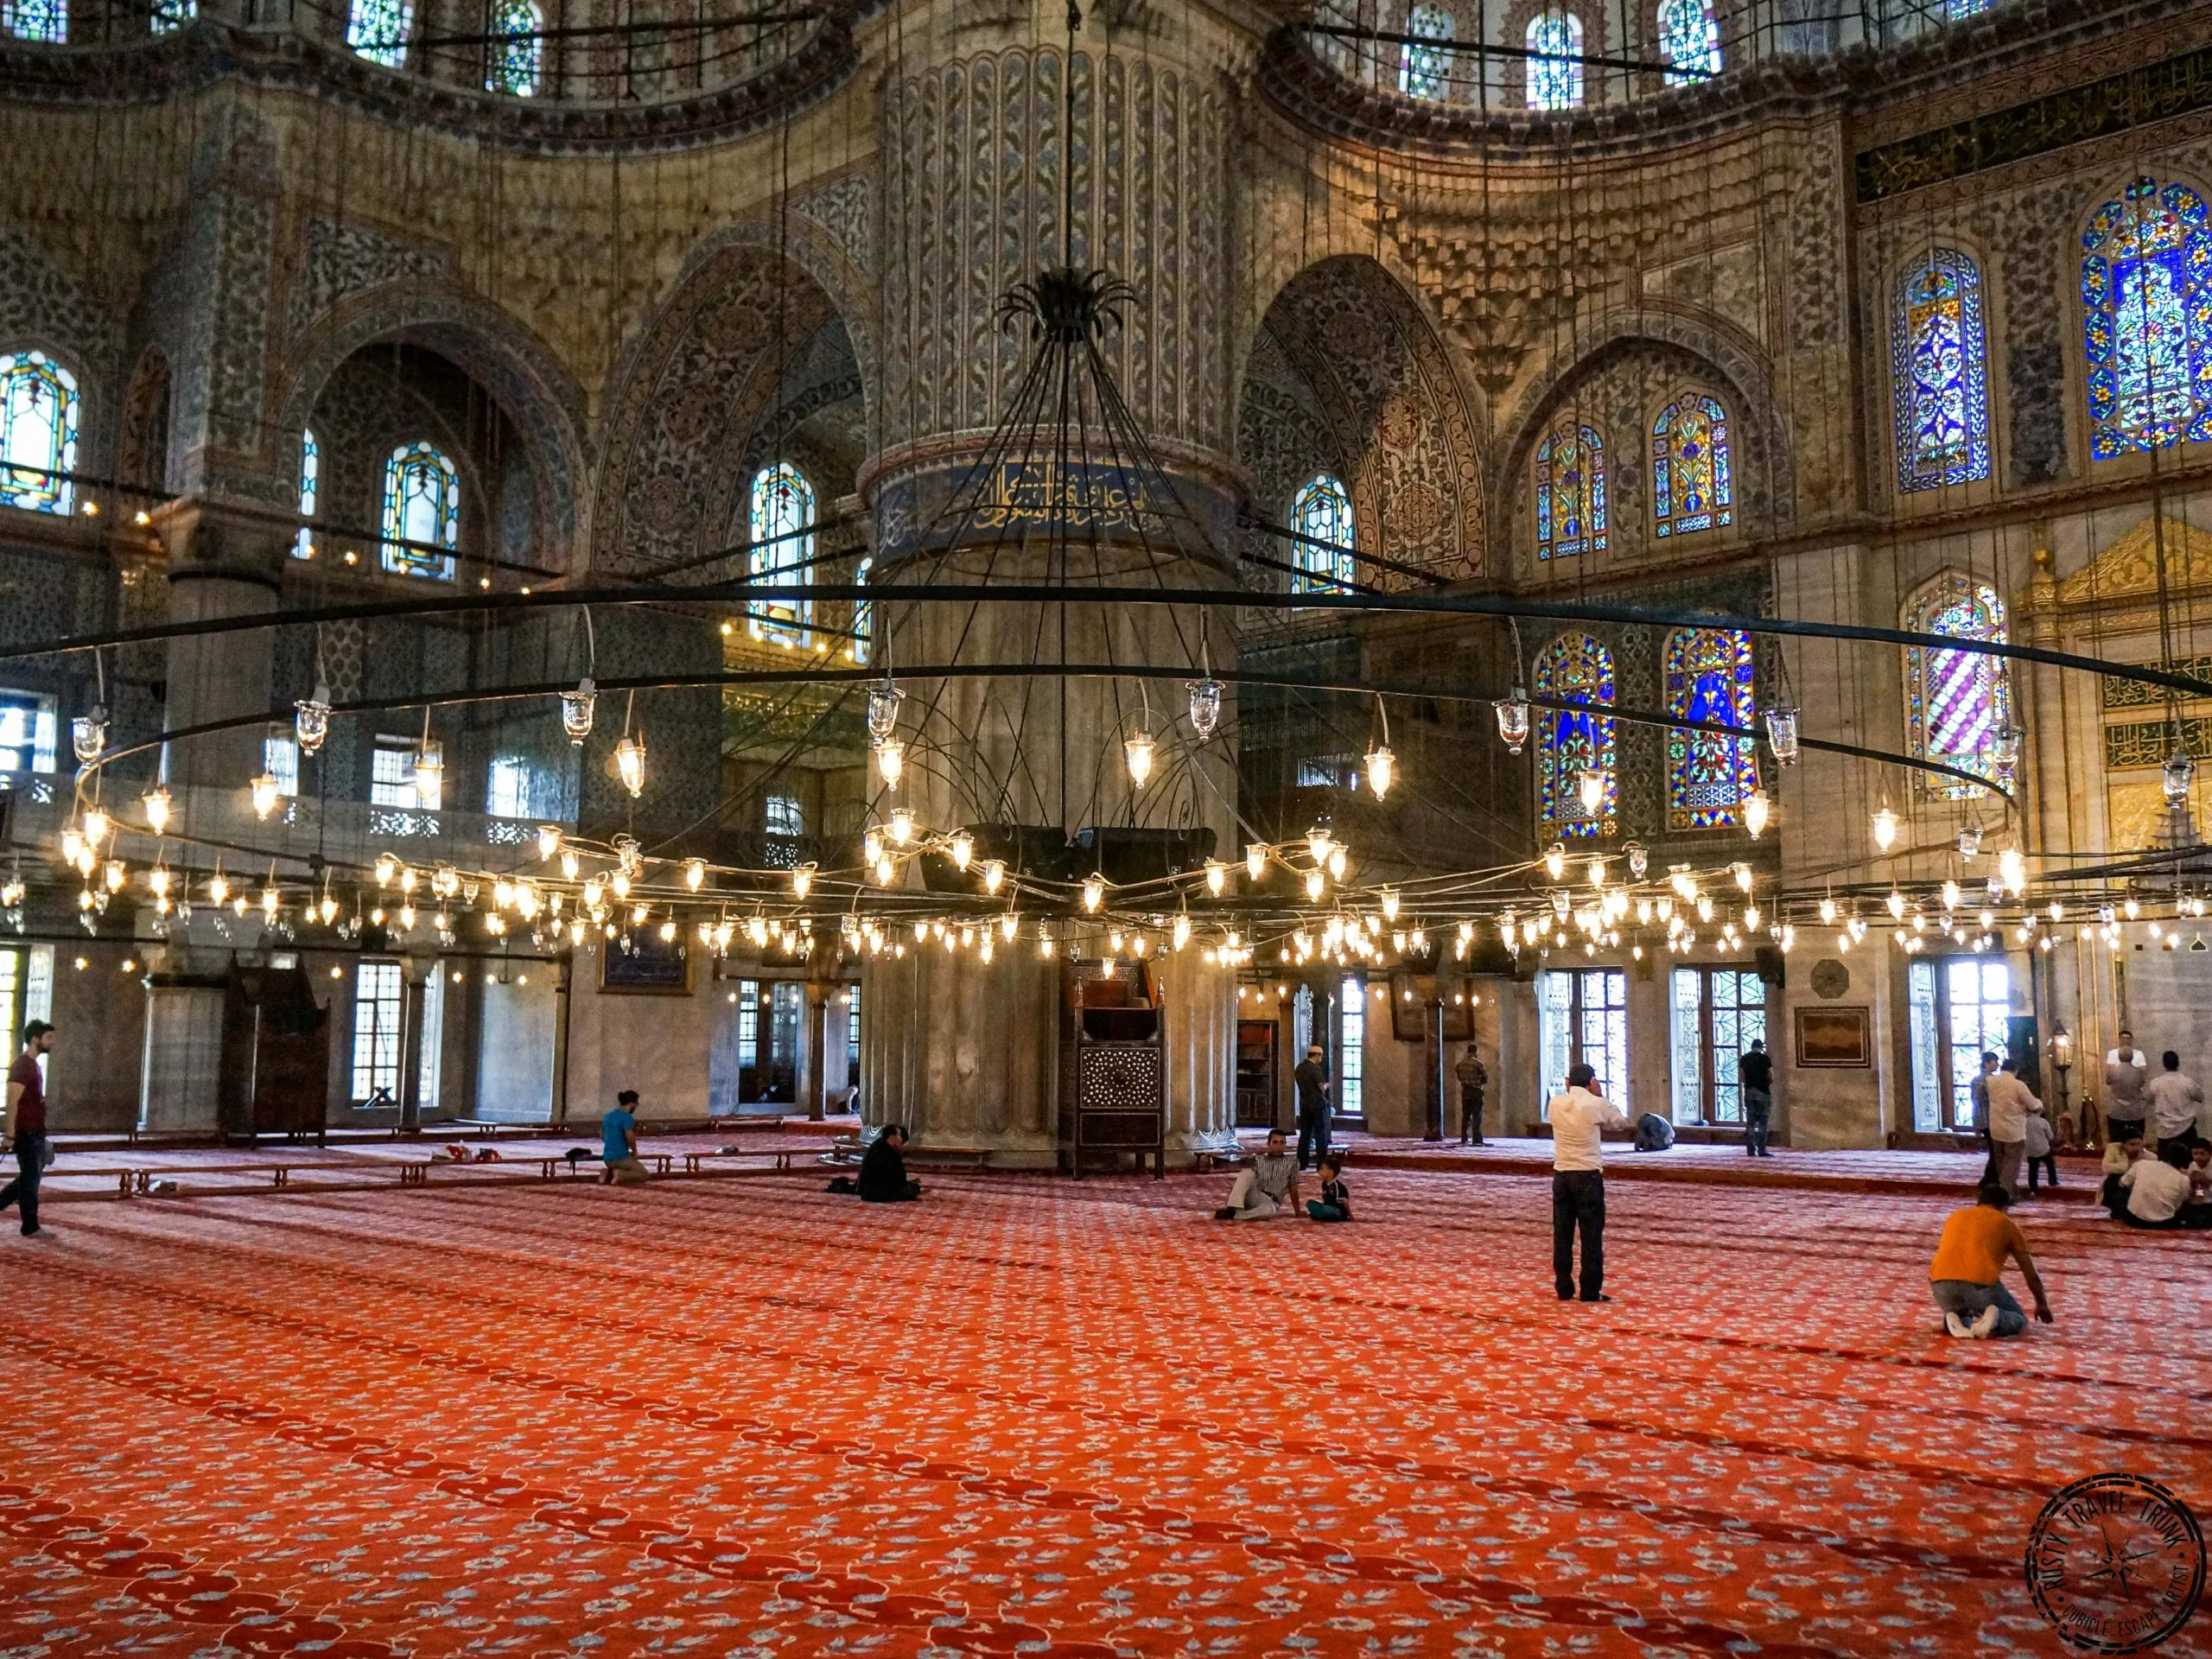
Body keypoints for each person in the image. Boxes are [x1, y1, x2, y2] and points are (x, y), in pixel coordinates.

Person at [1928, 1182, 2055, 1338]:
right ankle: (1996, 1319)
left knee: (1963, 1305)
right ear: (2005, 1207)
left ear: (1979, 1203)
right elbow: (2031, 1274)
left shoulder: (1955, 1216)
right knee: (2018, 1319)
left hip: (1940, 1286)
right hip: (1979, 1288)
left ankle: (1955, 1320)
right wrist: (2042, 1304)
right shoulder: (2007, 1224)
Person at [1548, 1063, 1629, 1303]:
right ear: (1591, 1082)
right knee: (1591, 1235)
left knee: (1562, 1234)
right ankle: (1590, 1290)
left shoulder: (1555, 1104)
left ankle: (1563, 1287)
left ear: (1567, 1082)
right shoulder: (1596, 1103)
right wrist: (1600, 1095)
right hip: (1587, 1176)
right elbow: (1620, 1122)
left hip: (1561, 1175)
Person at [0, 1020, 53, 1238]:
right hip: (26, 1132)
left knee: (30, 1177)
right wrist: (10, 1134)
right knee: (30, 1180)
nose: (52, 1042)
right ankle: (29, 1225)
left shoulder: (33, 1066)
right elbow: (12, 1102)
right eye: (48, 1038)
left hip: (35, 1131)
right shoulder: (22, 1065)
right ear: (35, 1039)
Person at [1983, 1057, 2039, 1200]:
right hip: (2014, 1131)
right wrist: (2040, 1104)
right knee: (2012, 1165)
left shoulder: (1991, 1081)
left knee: (2001, 1163)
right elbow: (2033, 1105)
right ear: (2016, 1070)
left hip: (1996, 1129)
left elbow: (1986, 1075)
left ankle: (2011, 1193)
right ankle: (2004, 1195)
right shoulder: (2018, 1085)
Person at [1217, 1127, 1300, 1220]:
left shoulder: (1292, 1162)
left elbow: (1294, 1189)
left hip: (1271, 1202)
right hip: (1254, 1195)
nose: (1279, 1146)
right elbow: (1237, 1167)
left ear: (1285, 1145)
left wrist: (1298, 1212)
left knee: (1269, 1210)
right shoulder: (1259, 1159)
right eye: (1275, 1142)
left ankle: (1238, 1215)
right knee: (1247, 1172)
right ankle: (1232, 1208)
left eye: (1282, 1143)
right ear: (1268, 1144)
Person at [2120, 1141, 2196, 1230]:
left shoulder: (2142, 1164)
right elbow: (2193, 1200)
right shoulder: (2184, 1179)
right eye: (2196, 1154)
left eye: (2202, 1154)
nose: (2199, 1157)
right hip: (2163, 1223)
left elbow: (2122, 1183)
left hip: (2133, 1219)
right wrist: (2200, 1189)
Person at [2146, 1052, 2204, 1157]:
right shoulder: (2187, 1082)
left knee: (2165, 1167)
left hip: (2165, 1130)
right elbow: (2200, 1098)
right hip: (2186, 1128)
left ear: (2164, 1064)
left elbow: (2148, 1100)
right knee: (2188, 1164)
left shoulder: (2156, 1083)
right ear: (2178, 1063)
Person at [855, 1123, 921, 1202]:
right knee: (914, 1188)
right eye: (899, 1136)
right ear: (892, 1138)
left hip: (866, 1191)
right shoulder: (889, 1152)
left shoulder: (878, 1144)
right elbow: (899, 1180)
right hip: (879, 1193)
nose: (901, 1140)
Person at [2104, 1036, 2148, 1149]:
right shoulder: (2139, 1072)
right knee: (2136, 1142)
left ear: (2119, 1056)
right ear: (2132, 1057)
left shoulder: (2112, 1072)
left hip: (2117, 1111)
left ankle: (2117, 1163)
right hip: (2135, 1111)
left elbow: (2108, 1082)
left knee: (2116, 1143)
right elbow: (2141, 1084)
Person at [1294, 1045, 1332, 1170]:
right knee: (1321, 1134)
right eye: (1320, 1056)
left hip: (1304, 1104)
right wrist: (1327, 1085)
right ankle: (1322, 1164)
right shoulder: (1314, 1069)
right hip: (1317, 1104)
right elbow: (1321, 1086)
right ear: (1317, 1055)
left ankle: (1302, 1163)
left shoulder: (1299, 1068)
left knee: (1305, 1134)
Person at [600, 1088, 647, 1185]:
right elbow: (629, 1136)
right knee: (643, 1174)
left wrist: (612, 1144)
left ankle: (608, 1173)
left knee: (628, 1164)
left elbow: (601, 1134)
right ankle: (619, 1174)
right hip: (621, 1158)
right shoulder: (627, 1117)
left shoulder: (608, 1116)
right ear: (632, 1104)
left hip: (607, 1158)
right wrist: (634, 1151)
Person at [1738, 1039, 1775, 1158]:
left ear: (1752, 1046)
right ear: (1761, 1047)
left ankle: (1750, 1150)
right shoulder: (1765, 1059)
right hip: (1763, 1092)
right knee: (1763, 1123)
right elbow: (1770, 1076)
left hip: (1750, 1092)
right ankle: (1762, 1150)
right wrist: (1765, 1084)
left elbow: (1742, 1078)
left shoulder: (1744, 1059)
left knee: (1751, 1122)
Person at [1969, 1051, 2000, 1180]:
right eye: (1995, 1061)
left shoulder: (1989, 1079)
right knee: (1995, 1151)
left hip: (1988, 1117)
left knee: (1995, 1151)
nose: (1998, 1065)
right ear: (1987, 1063)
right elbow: (1978, 1100)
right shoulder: (1981, 1081)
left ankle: (1990, 1178)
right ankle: (1989, 1179)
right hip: (1985, 1118)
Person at [2023, 1094, 2059, 1194]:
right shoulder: (2043, 1122)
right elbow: (2050, 1137)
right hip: (2043, 1149)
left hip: (2029, 1150)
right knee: (2050, 1164)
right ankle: (2053, 1182)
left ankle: (2033, 1189)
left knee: (2033, 1169)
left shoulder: (2024, 1122)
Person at [1455, 1043, 1487, 1147]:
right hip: (1476, 1091)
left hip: (1465, 1091)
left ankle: (1464, 1137)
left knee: (1466, 1115)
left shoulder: (1460, 1064)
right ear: (1475, 1051)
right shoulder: (1478, 1064)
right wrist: (1478, 1082)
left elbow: (1459, 1077)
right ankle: (1476, 1139)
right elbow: (1485, 1077)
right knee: (1477, 1115)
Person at [2100, 1137, 2139, 1220]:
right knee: (2113, 1179)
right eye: (2132, 1144)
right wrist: (2126, 1167)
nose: (2136, 1147)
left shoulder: (2151, 1157)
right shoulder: (2114, 1149)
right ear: (2123, 1145)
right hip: (2121, 1186)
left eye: (2139, 1144)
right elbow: (2106, 1167)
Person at [1306, 1154, 1352, 1222]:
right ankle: (1324, 1215)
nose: (1319, 1172)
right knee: (1310, 1203)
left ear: (1331, 1172)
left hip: (1337, 1211)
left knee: (1323, 1210)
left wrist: (1350, 1215)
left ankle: (1326, 1215)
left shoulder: (1338, 1186)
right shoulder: (1324, 1184)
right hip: (1327, 1208)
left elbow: (1344, 1203)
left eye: (1322, 1169)